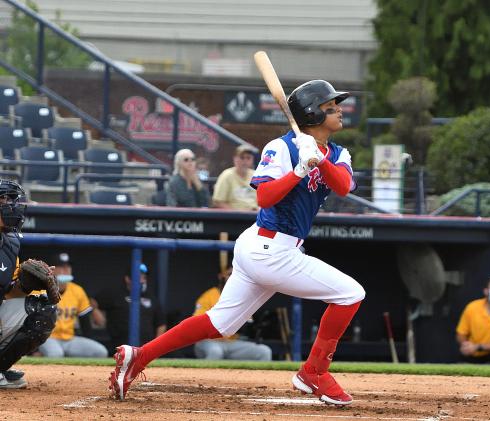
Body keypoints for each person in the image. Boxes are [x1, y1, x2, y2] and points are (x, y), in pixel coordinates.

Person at [109, 80, 365, 406]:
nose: (340, 110)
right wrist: (300, 170)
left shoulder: (339, 153)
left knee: (219, 323)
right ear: (314, 114)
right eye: (331, 107)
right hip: (268, 248)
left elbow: (343, 186)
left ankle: (139, 356)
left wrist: (320, 161)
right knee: (350, 294)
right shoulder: (281, 147)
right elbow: (265, 196)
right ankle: (313, 372)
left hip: (276, 249)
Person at [0, 180, 59, 388]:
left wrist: (25, 284)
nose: (10, 206)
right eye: (4, 200)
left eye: (10, 200)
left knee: (42, 311)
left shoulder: (8, 241)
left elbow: (5, 291)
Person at [192, 266, 272, 361]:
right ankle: (203, 376)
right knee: (215, 351)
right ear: (221, 276)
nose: (232, 277)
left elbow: (248, 324)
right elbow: (197, 325)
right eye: (229, 274)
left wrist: (244, 324)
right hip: (208, 342)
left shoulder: (242, 297)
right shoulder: (209, 296)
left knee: (264, 351)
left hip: (232, 342)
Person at [38, 253, 108, 358]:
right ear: (51, 270)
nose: (66, 269)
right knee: (56, 354)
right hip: (47, 338)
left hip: (69, 339)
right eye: (61, 266)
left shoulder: (77, 290)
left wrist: (87, 342)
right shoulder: (40, 290)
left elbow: (85, 322)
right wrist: (32, 348)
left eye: (68, 266)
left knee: (100, 352)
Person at [94, 263, 166, 355]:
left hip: (146, 348)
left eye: (144, 277)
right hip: (119, 347)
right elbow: (92, 301)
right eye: (139, 277)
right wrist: (96, 312)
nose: (142, 280)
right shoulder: (115, 293)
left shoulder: (151, 298)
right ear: (128, 279)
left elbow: (161, 324)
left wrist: (156, 347)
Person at [212, 145, 258, 210]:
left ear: (252, 159)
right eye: (242, 157)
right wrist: (237, 214)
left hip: (255, 216)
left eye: (248, 158)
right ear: (235, 158)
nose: (245, 161)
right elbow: (218, 201)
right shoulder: (226, 175)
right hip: (234, 218)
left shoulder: (256, 175)